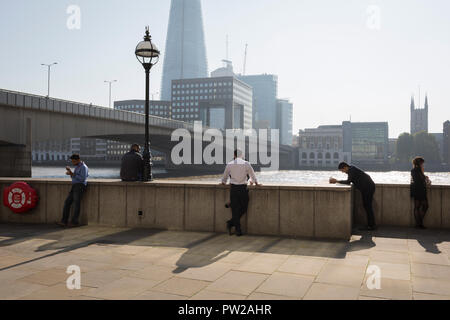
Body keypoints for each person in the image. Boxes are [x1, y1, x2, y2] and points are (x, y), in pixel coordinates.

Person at [221, 150, 261, 236]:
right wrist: (255, 182)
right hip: (243, 188)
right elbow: (252, 175)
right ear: (242, 155)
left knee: (235, 210)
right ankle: (238, 230)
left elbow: (224, 177)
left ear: (234, 155)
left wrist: (223, 182)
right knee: (243, 208)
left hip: (234, 189)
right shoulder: (247, 164)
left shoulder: (230, 164)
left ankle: (231, 222)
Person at [330, 162, 377, 231]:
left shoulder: (351, 170)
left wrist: (336, 181)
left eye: (342, 170)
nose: (343, 172)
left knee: (368, 207)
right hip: (367, 187)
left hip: (368, 188)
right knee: (367, 206)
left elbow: (348, 181)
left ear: (345, 167)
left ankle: (371, 226)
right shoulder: (352, 169)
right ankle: (371, 225)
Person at [57, 154, 89, 228]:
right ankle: (64, 221)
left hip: (80, 186)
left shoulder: (83, 167)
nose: (73, 163)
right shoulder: (78, 167)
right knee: (67, 203)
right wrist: (70, 173)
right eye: (72, 161)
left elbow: (82, 179)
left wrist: (72, 173)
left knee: (76, 204)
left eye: (73, 161)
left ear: (78, 160)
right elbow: (75, 177)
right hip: (74, 186)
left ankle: (74, 222)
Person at [410, 157, 431, 229]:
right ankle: (420, 223)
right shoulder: (418, 170)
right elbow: (421, 180)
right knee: (425, 206)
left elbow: (417, 180)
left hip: (416, 191)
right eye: (422, 163)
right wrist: (425, 176)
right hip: (421, 191)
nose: (423, 165)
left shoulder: (413, 170)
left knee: (417, 207)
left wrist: (424, 175)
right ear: (420, 163)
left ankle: (418, 224)